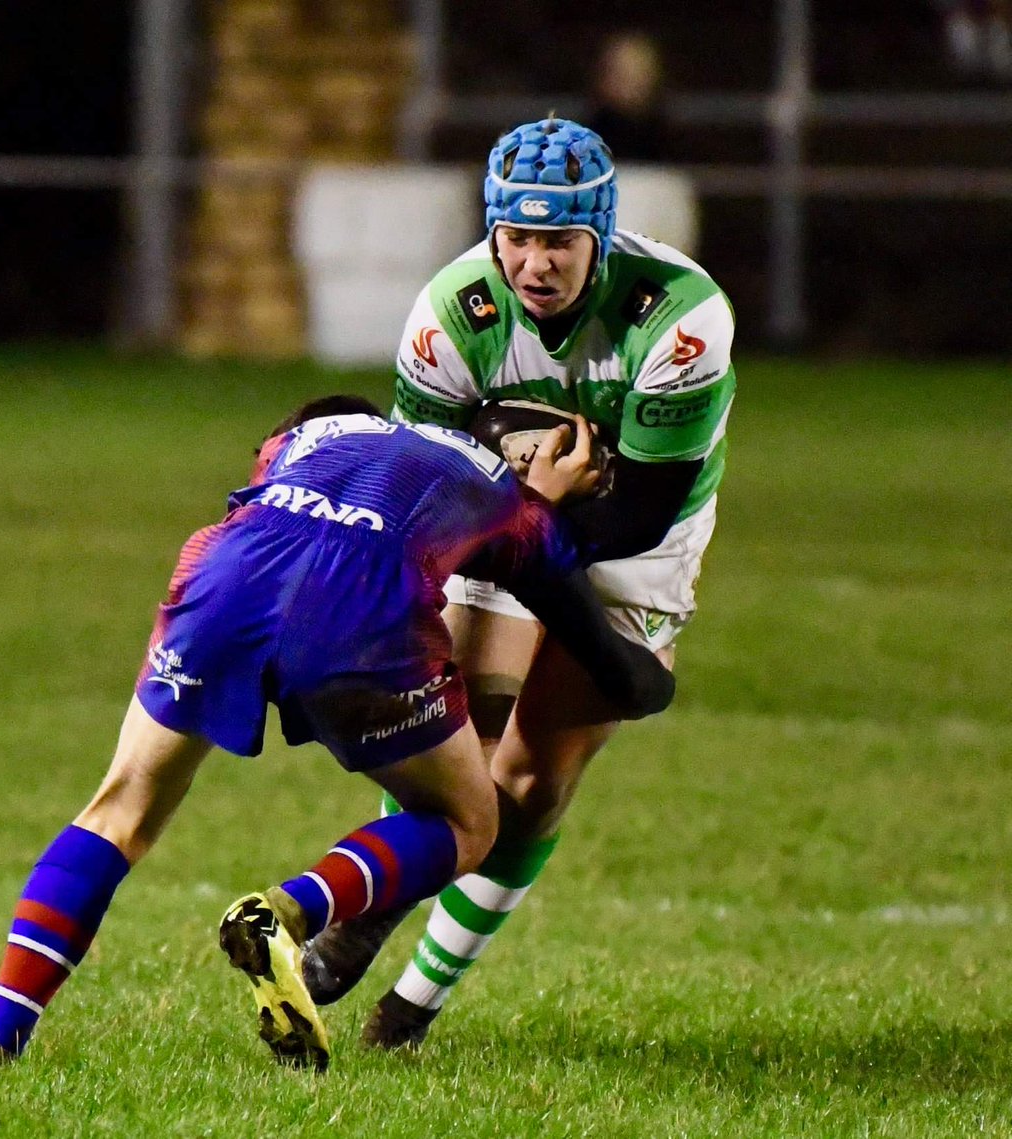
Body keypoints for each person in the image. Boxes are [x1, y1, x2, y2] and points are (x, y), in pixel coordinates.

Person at [0, 394, 676, 1072]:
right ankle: (290, 911)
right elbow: (617, 671)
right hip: (363, 605)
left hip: (228, 569)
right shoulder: (515, 508)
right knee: (468, 821)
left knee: (119, 809)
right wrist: (659, 664)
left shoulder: (301, 440)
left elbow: (290, 482)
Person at [301, 117, 737, 1050]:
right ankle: (380, 899)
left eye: (560, 242)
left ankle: (413, 1006)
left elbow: (641, 512)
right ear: (493, 232)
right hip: (497, 517)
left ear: (602, 235)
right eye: (518, 239)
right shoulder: (450, 317)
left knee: (534, 780)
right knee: (448, 736)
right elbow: (421, 485)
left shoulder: (682, 320)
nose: (535, 263)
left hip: (628, 547)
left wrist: (535, 523)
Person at [586, 31, 669, 163]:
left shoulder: (668, 140)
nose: (624, 82)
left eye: (634, 73)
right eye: (617, 73)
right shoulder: (586, 140)